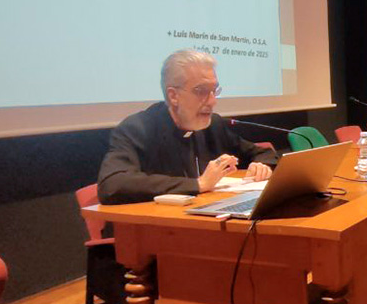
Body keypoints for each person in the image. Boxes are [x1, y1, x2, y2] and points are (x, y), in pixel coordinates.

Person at [98, 49, 277, 204]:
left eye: (214, 90)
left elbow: (263, 153)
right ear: (173, 96)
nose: (212, 101)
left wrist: (260, 165)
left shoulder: (212, 124)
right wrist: (199, 184)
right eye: (201, 91)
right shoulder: (137, 129)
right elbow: (112, 184)